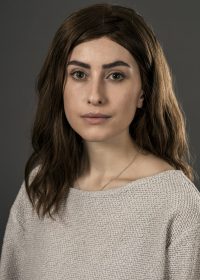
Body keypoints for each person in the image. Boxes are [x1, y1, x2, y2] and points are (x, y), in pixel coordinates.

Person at [0, 2, 200, 279]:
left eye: (115, 76)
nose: (95, 95)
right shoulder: (39, 187)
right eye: (79, 74)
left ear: (143, 91)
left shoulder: (176, 201)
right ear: (61, 85)